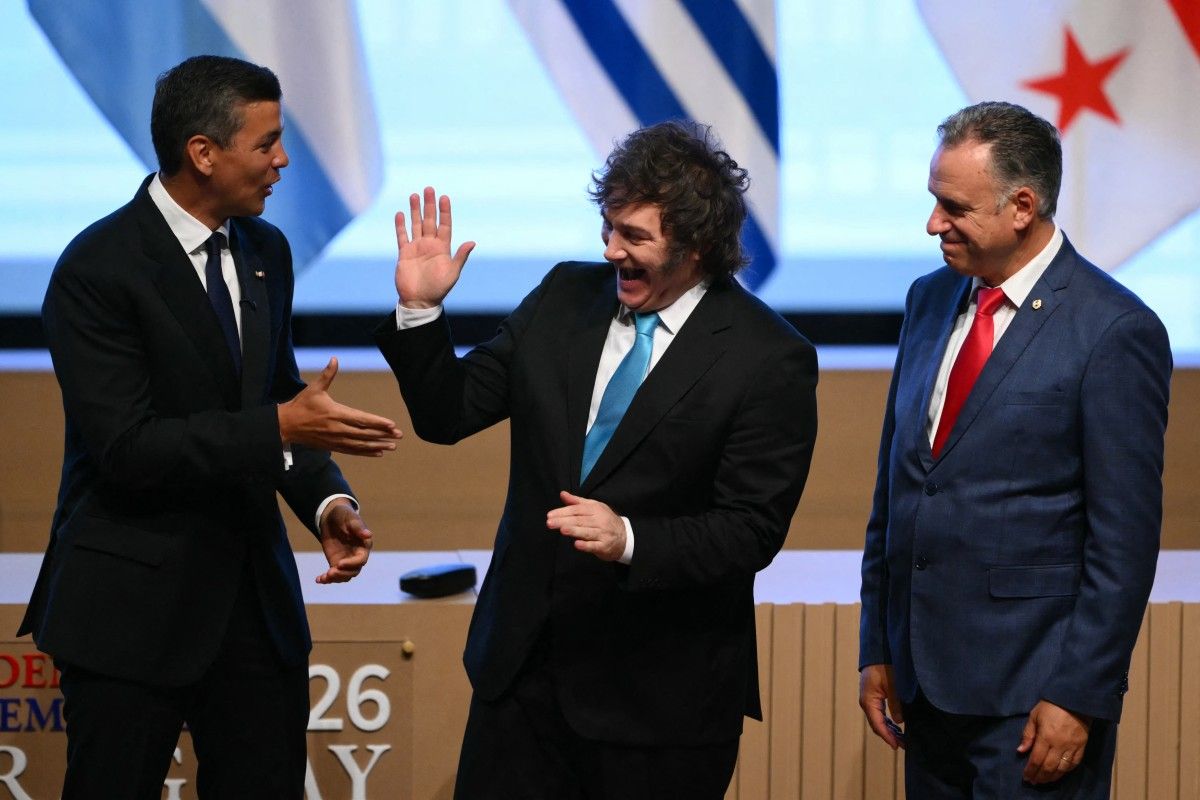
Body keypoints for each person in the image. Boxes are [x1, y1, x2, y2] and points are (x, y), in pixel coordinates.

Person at [375, 121, 818, 799]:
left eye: (633, 235)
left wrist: (630, 539)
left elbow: (750, 529)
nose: (611, 250)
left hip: (658, 703)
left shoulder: (768, 357)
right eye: (608, 226)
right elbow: (448, 414)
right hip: (521, 682)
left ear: (696, 244)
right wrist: (419, 311)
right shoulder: (564, 298)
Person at [19, 55, 402, 799]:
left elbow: (277, 399)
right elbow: (128, 448)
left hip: (254, 610)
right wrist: (280, 425)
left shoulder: (266, 251)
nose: (283, 160)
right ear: (203, 152)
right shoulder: (97, 269)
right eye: (267, 143)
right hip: (131, 614)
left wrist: (328, 503)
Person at [857, 101, 1172, 798]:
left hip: (1034, 704)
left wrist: (1079, 695)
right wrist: (878, 645)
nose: (933, 224)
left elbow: (1123, 543)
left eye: (954, 207)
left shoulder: (1114, 329)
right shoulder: (928, 300)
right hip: (924, 691)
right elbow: (899, 487)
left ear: (1022, 206)